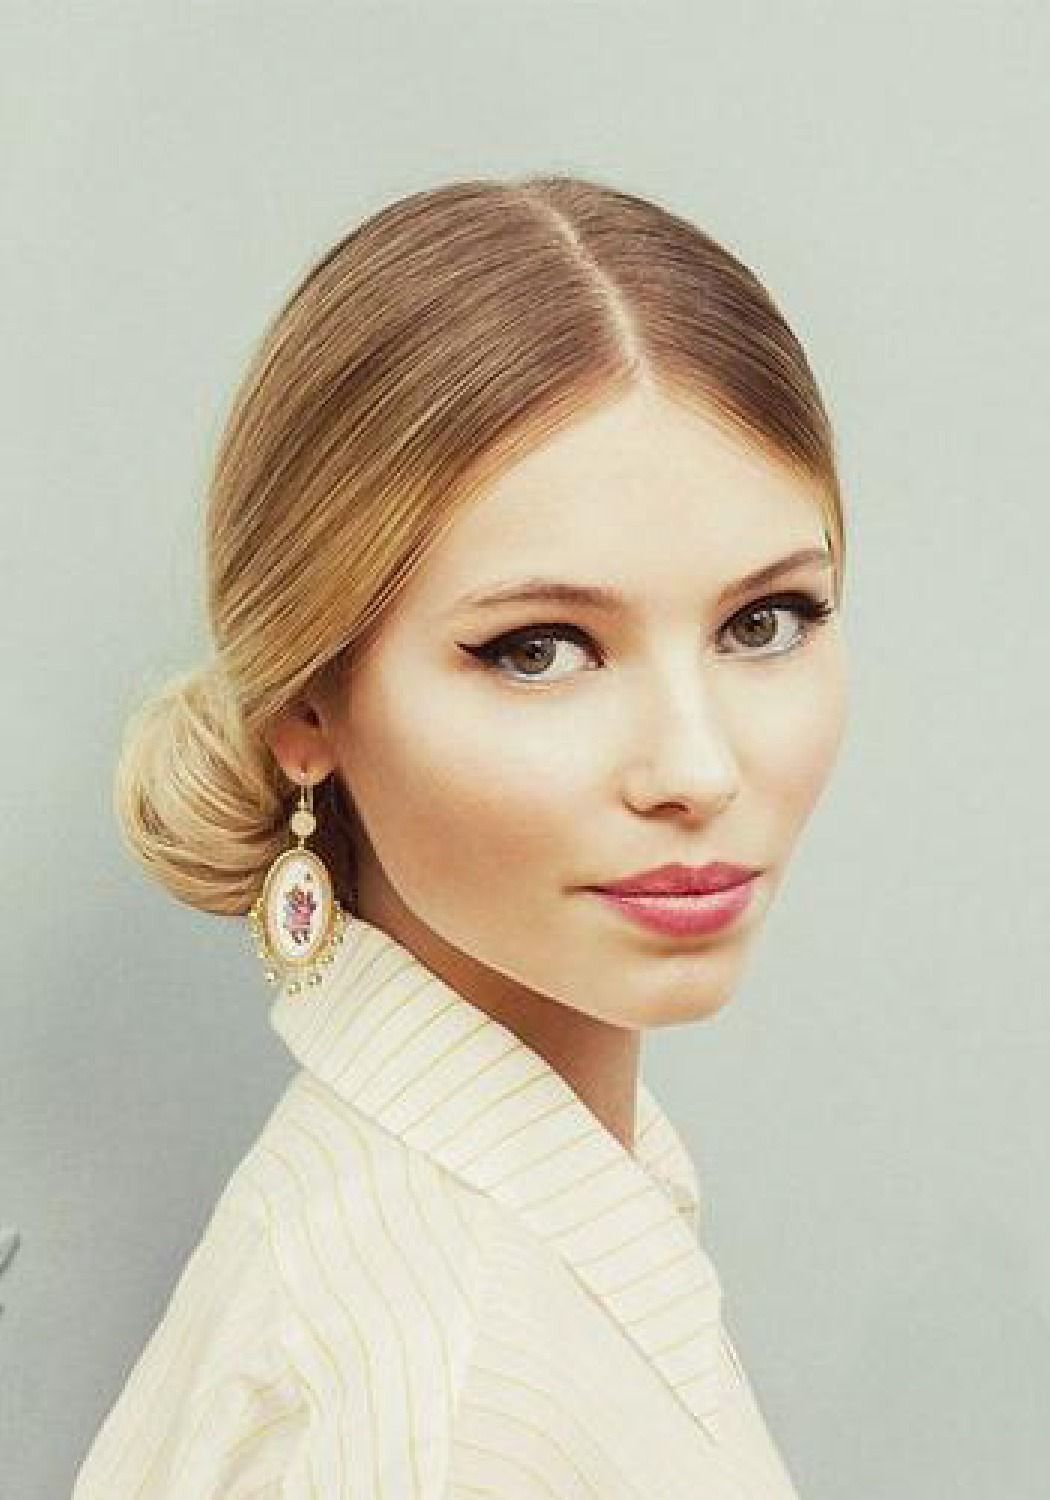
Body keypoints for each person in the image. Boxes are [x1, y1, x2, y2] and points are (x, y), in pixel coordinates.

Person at [72, 173, 849, 1498]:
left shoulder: (541, 1222)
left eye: (763, 623)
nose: (697, 768)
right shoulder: (452, 1399)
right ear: (305, 707)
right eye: (539, 650)